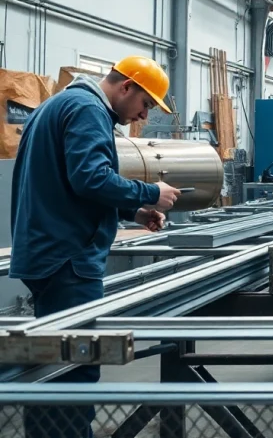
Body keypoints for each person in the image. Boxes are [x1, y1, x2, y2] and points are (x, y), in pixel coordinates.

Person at [10, 55, 181, 438]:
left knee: (52, 363)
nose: (142, 116)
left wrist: (133, 211)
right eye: (145, 104)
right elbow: (90, 178)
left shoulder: (59, 104)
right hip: (67, 259)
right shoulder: (88, 110)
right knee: (76, 365)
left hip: (50, 253)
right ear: (126, 87)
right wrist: (151, 192)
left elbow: (69, 184)